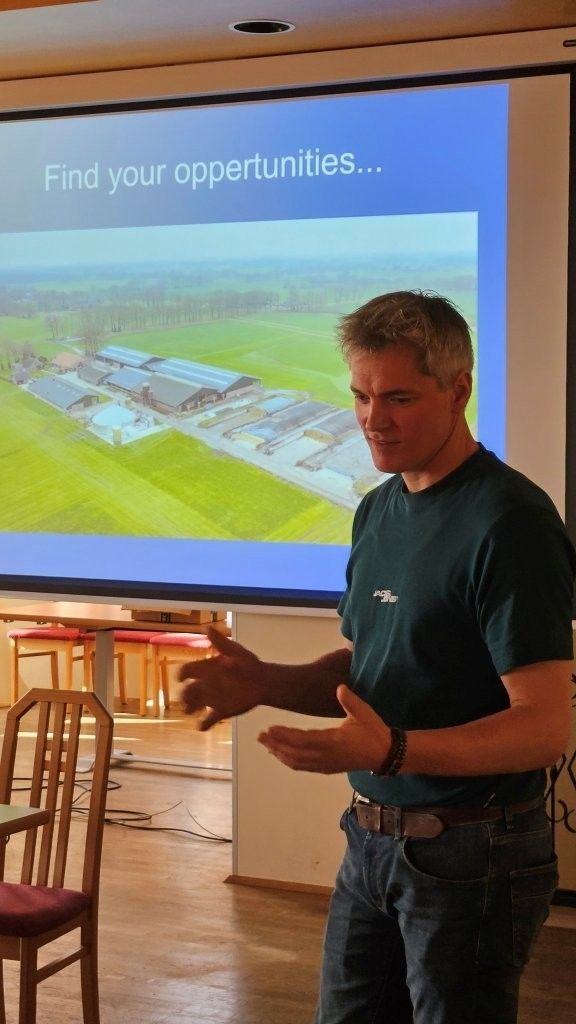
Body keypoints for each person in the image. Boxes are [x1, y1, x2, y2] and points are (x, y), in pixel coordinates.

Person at [178, 290, 575, 1024]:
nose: (372, 419)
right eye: (360, 395)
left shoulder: (510, 521)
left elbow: (544, 729)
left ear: (459, 390)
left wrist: (392, 750)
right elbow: (368, 667)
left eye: (398, 397)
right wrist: (263, 681)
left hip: (472, 852)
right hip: (369, 839)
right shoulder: (378, 508)